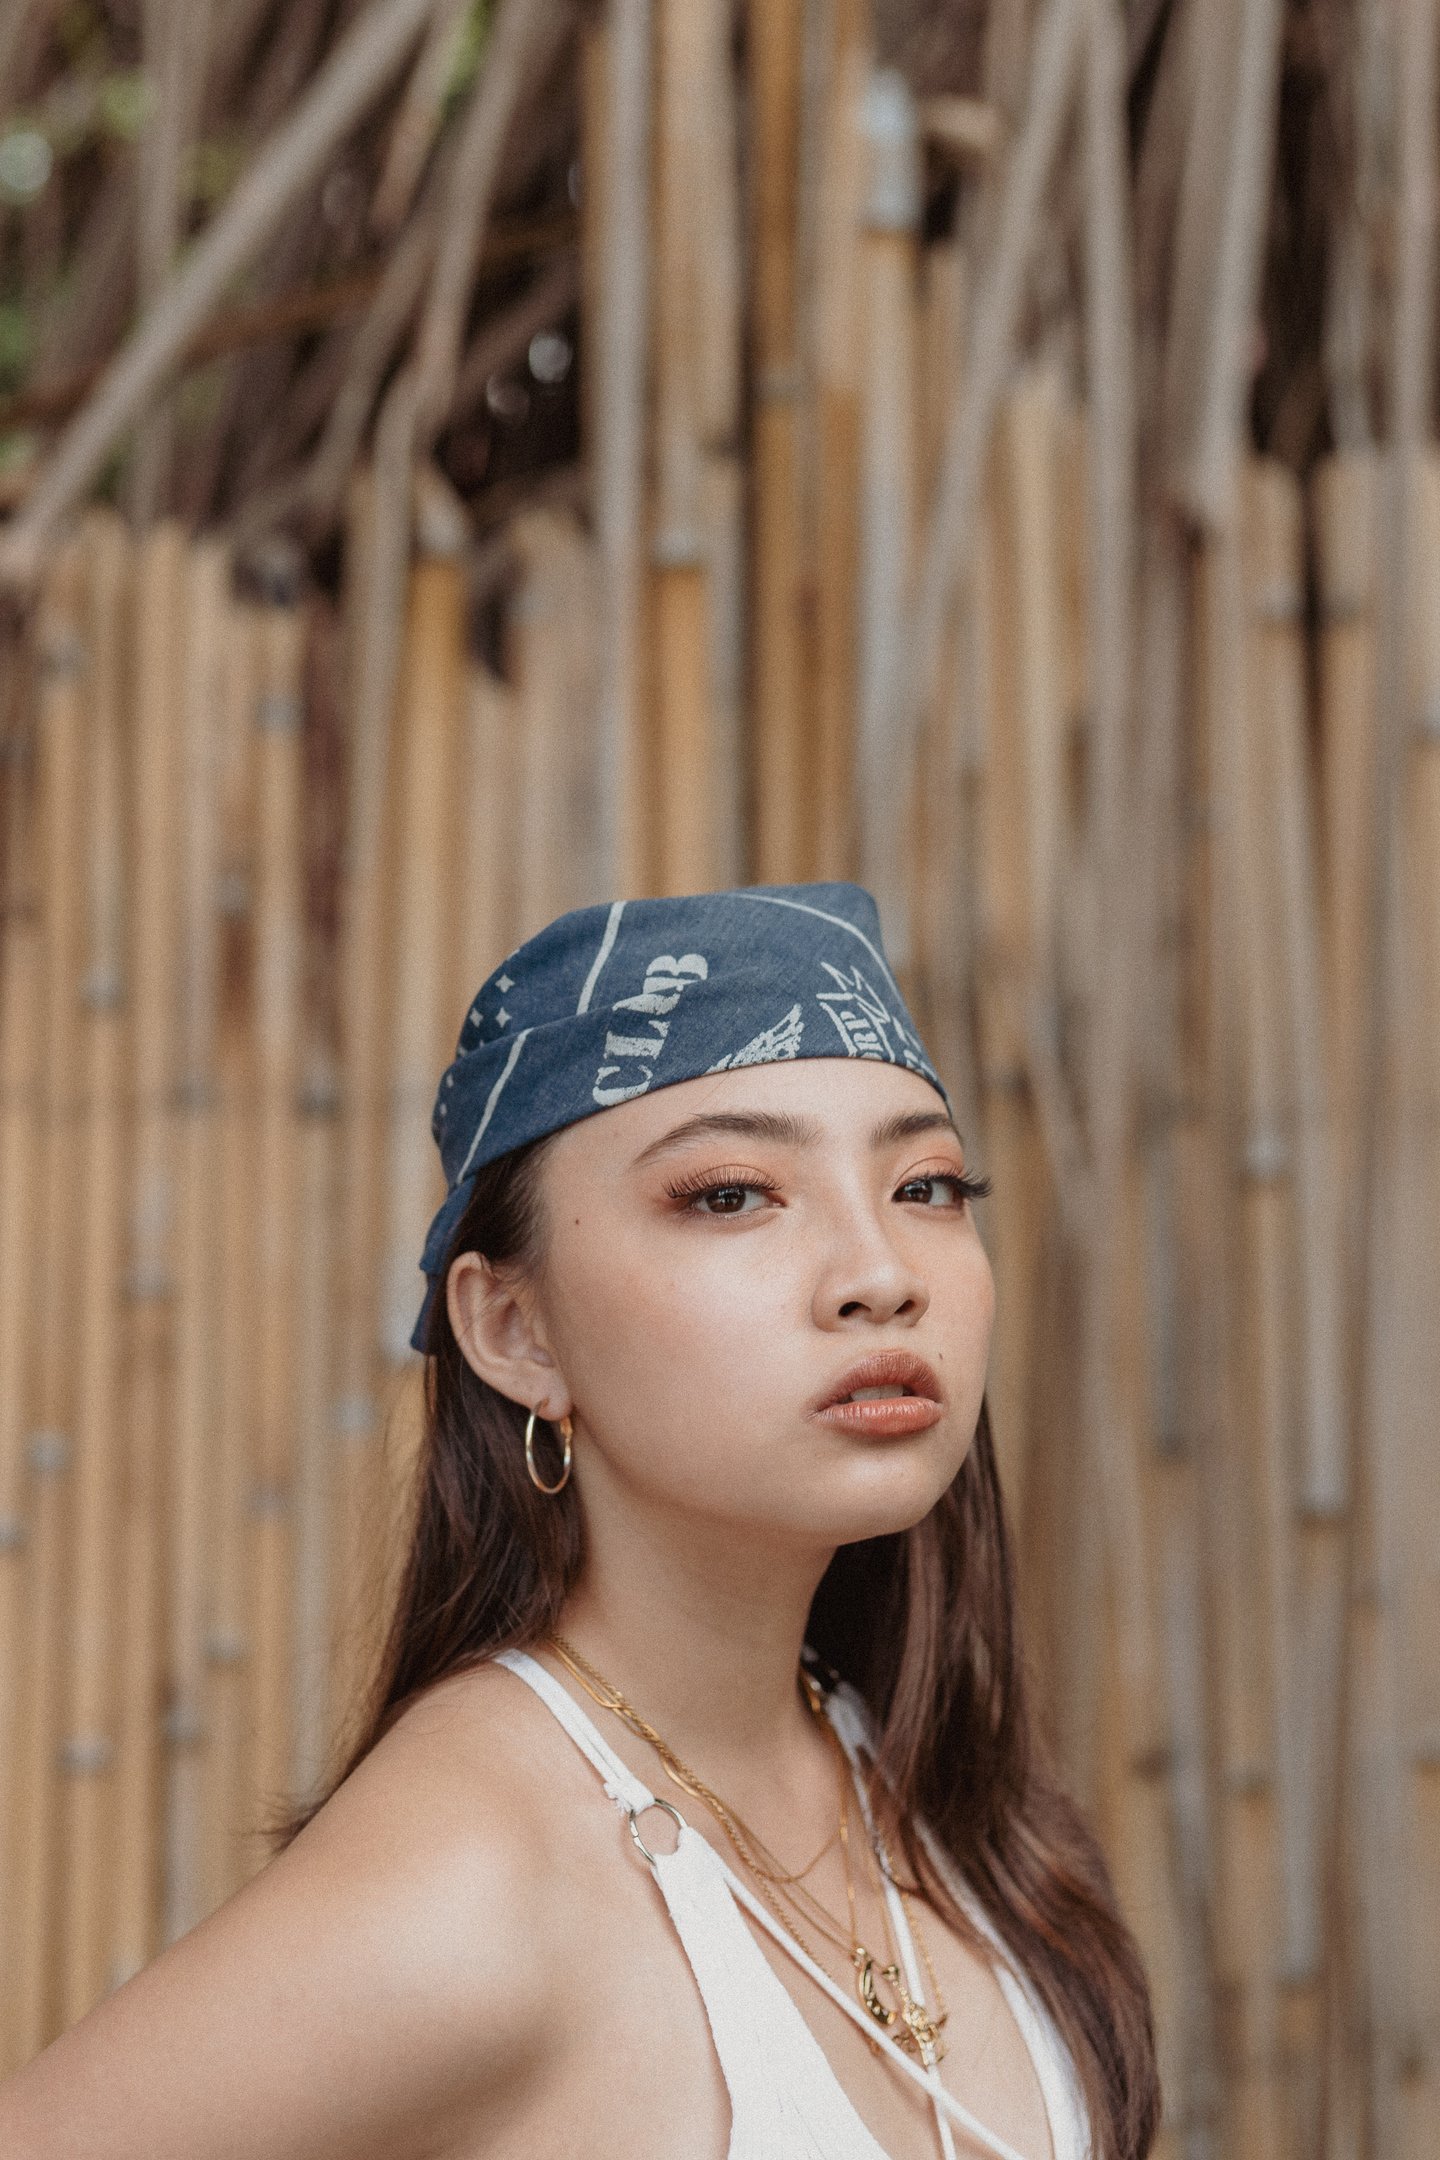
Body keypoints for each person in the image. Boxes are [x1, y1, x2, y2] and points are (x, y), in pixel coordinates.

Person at [0, 882, 1158, 2160]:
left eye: (928, 1185)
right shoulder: (472, 1880)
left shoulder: (915, 1782)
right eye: (731, 1194)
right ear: (515, 1329)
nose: (881, 1273)